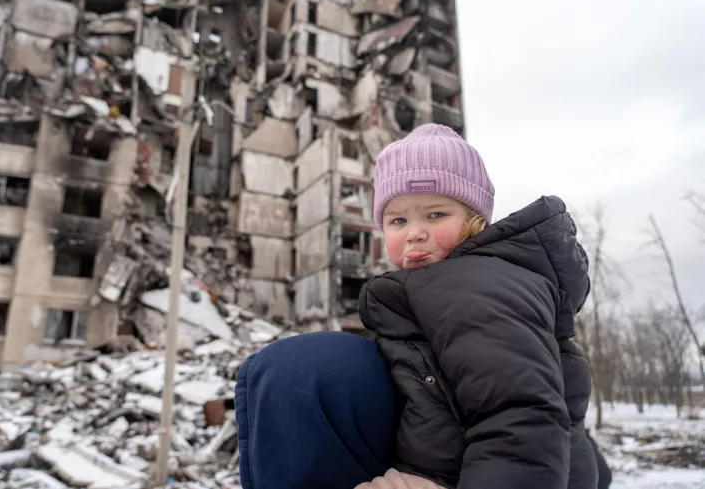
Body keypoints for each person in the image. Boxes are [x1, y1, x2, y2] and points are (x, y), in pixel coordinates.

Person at [235, 124, 596, 489]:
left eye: (436, 215)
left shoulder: (482, 286)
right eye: (398, 220)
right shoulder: (435, 290)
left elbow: (518, 418)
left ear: (475, 221)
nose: (414, 232)